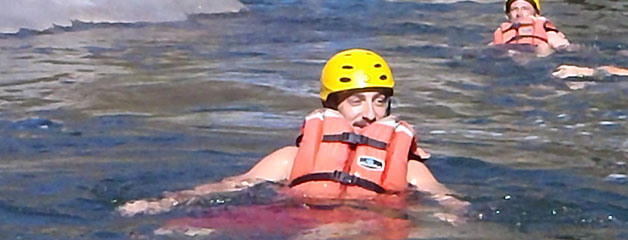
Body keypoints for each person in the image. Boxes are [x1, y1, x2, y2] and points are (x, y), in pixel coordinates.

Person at [119, 49, 466, 220]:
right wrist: (164, 203)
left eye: (379, 101)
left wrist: (456, 212)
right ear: (332, 105)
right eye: (356, 101)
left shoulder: (408, 168)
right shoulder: (290, 159)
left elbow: (445, 200)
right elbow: (231, 187)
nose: (370, 113)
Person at [490, 0, 571, 54]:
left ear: (536, 14)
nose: (519, 13)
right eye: (514, 9)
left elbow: (566, 48)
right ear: (508, 15)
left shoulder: (548, 33)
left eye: (525, 8)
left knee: (544, 46)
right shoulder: (501, 34)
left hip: (537, 63)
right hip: (510, 63)